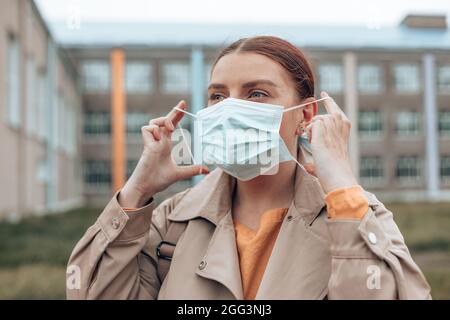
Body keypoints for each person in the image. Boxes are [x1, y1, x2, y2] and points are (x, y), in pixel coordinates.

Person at [66, 36, 431, 299]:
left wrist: (340, 183)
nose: (229, 109)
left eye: (257, 94)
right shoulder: (170, 223)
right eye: (218, 96)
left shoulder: (356, 216)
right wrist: (136, 191)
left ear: (305, 115)